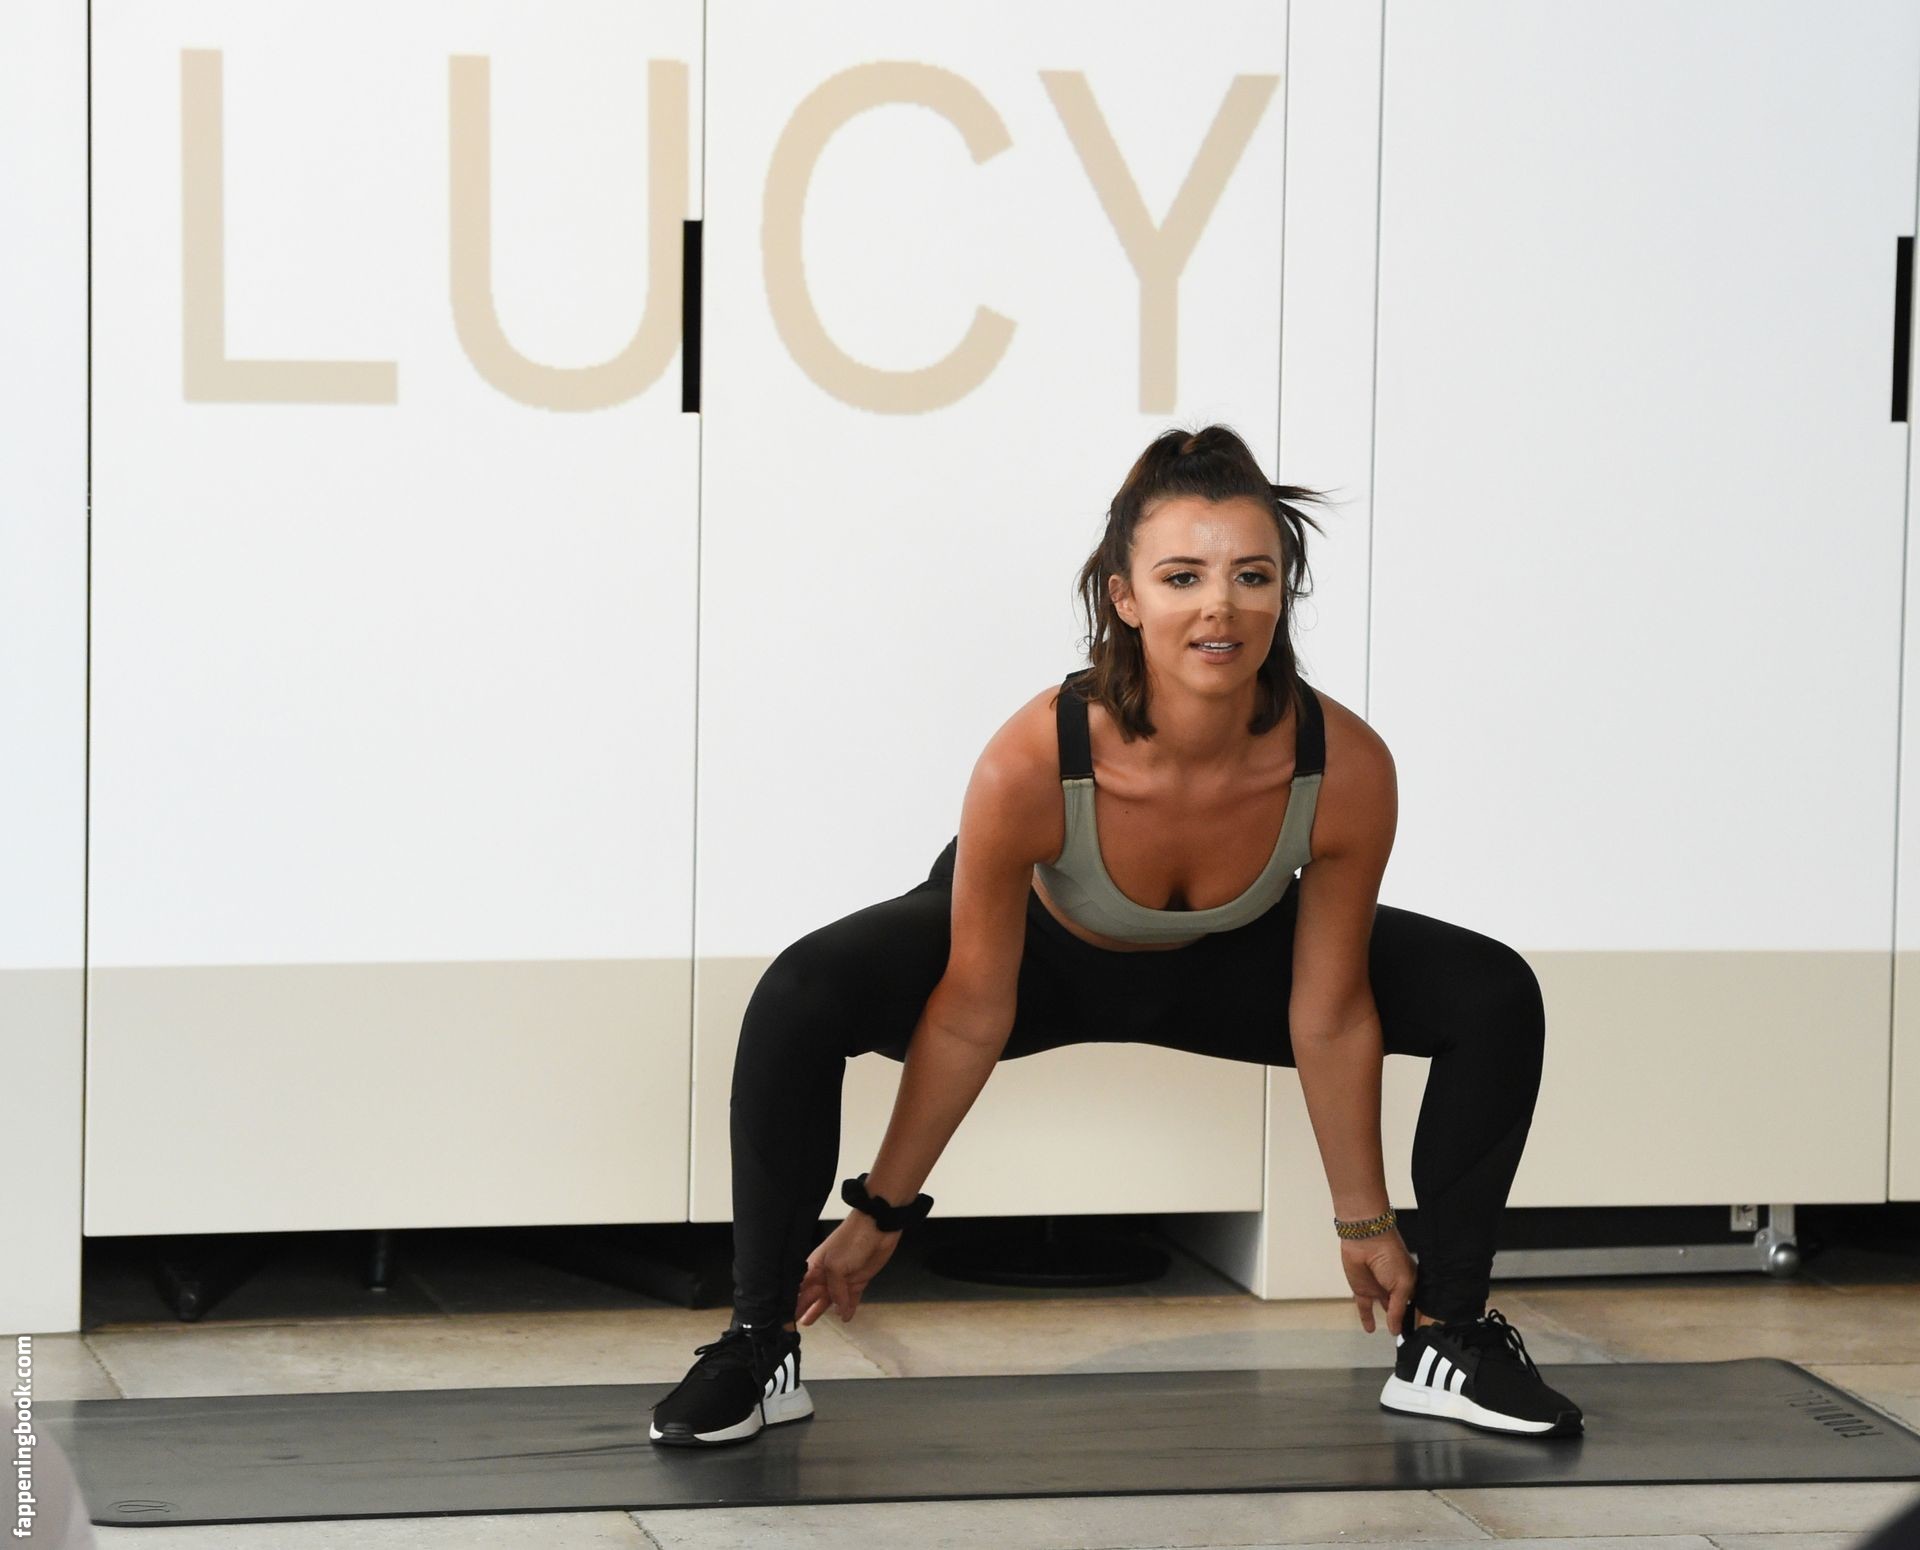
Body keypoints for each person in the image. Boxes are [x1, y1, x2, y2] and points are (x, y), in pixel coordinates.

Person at [649, 424, 1583, 1447]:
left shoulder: (1343, 764)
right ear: (1125, 598)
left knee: (1490, 990)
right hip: (1036, 959)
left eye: (1253, 575)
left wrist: (1363, 1220)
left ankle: (1446, 1338)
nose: (1221, 604)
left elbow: (1330, 1008)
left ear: (1282, 594)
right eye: (1183, 576)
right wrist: (882, 1210)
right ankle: (758, 1342)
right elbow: (970, 1011)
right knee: (802, 990)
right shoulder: (1032, 758)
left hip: (1226, 960)